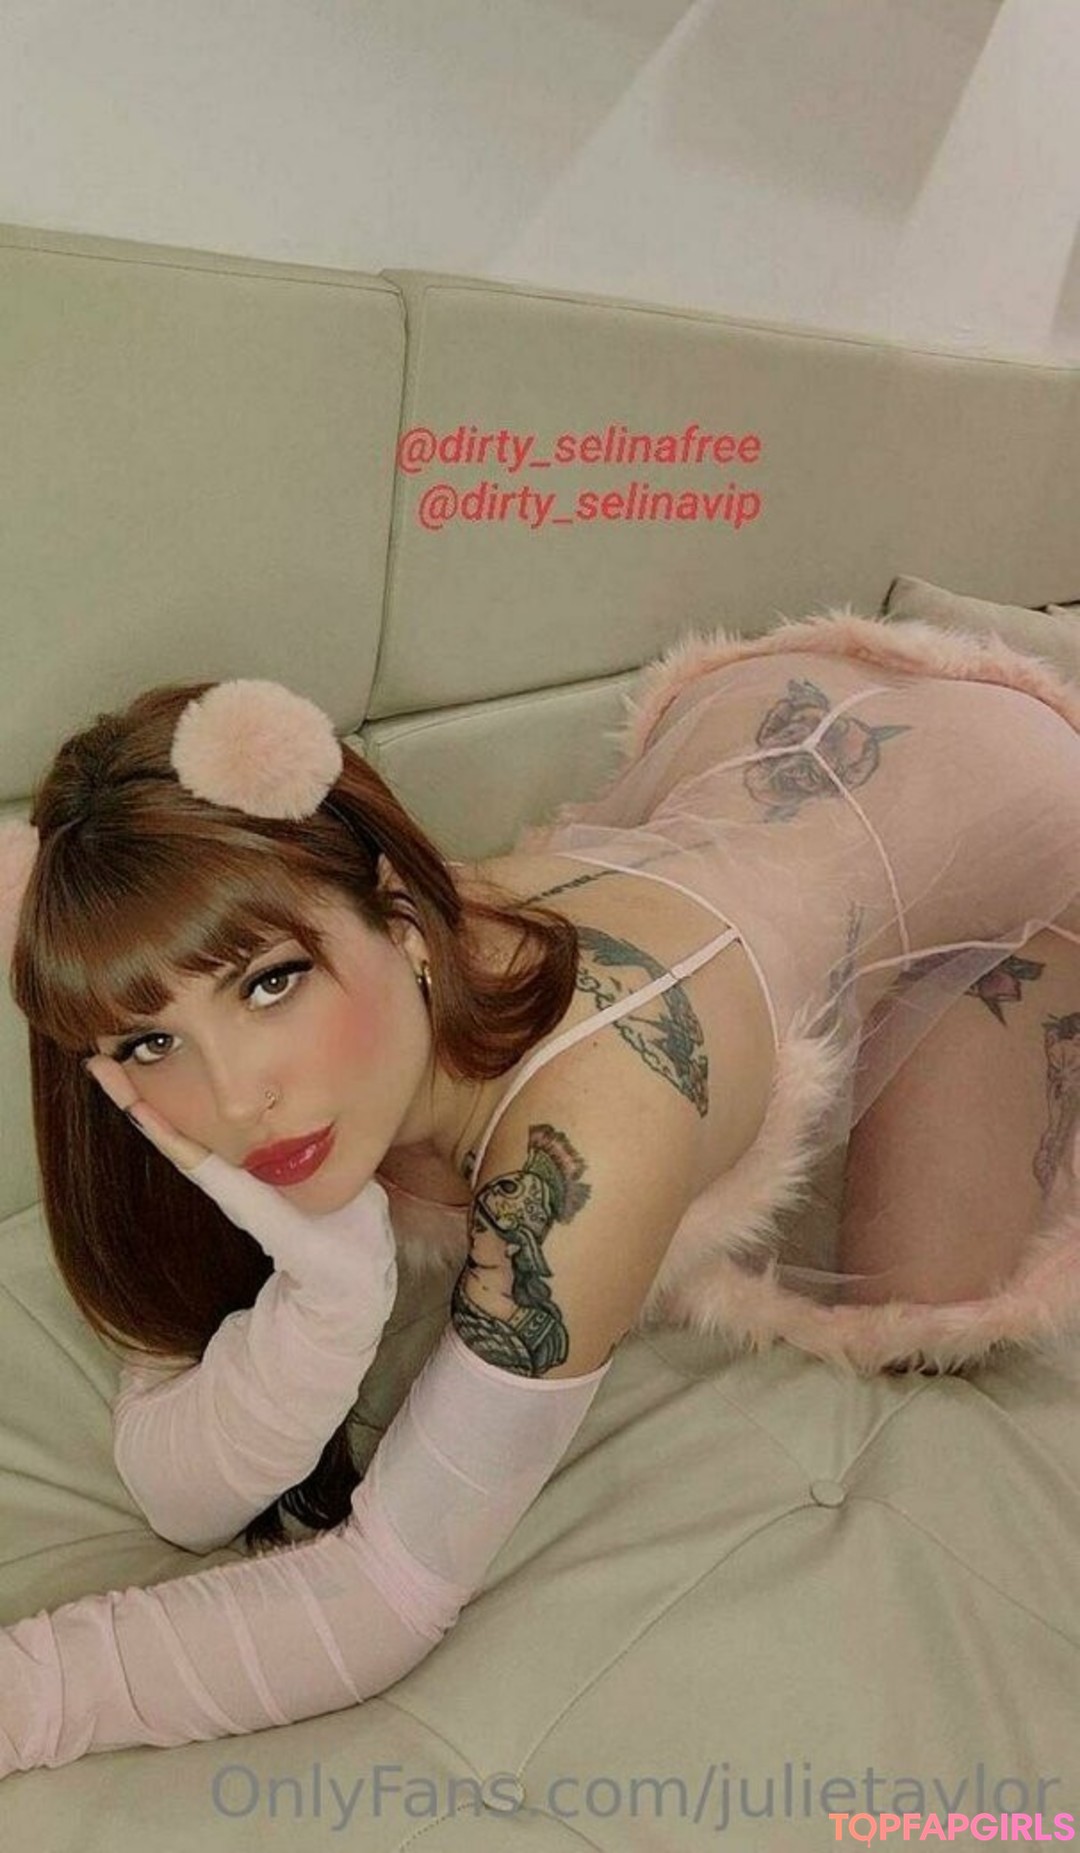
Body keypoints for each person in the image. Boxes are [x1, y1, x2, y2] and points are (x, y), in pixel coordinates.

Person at [1, 605, 1078, 1776]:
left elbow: (380, 1599)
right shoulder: (311, 1026)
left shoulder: (595, 1132)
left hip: (1001, 794)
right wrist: (324, 1300)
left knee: (930, 1300)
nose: (237, 1095)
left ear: (399, 916)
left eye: (269, 983)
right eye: (151, 1039)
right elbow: (177, 1493)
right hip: (754, 784)